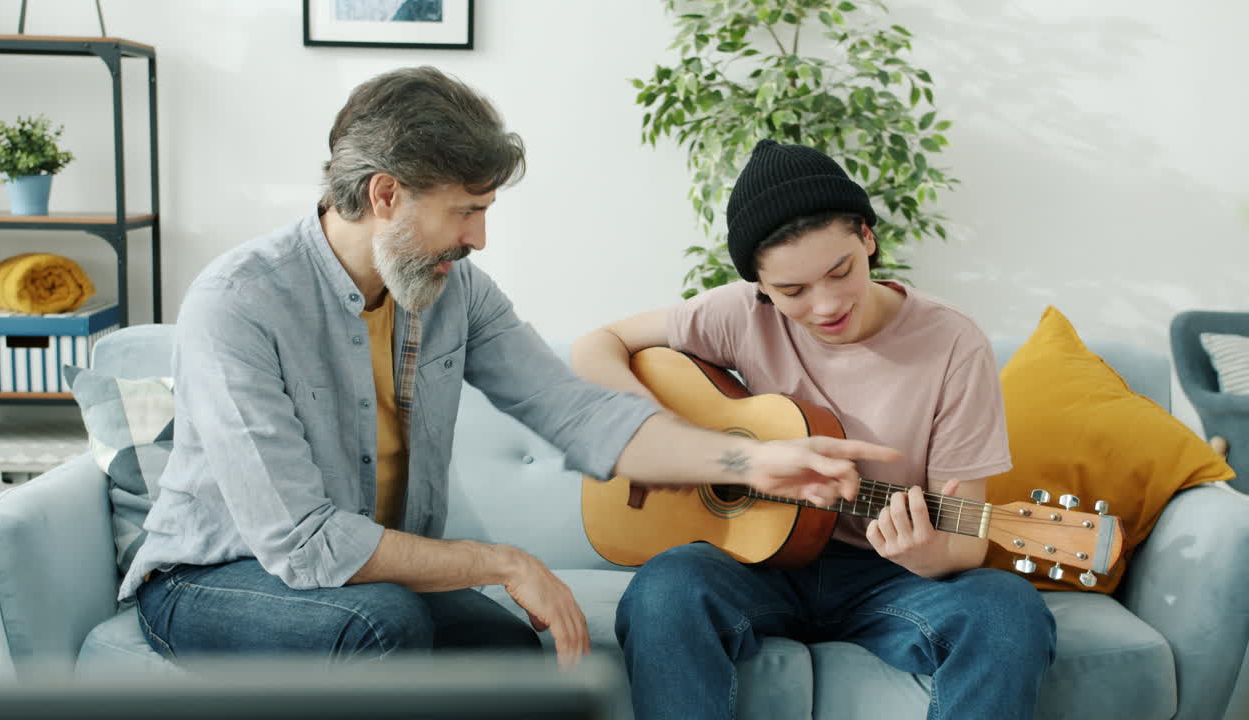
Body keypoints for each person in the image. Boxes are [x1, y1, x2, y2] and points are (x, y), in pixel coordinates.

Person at [125, 68, 898, 669]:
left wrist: (757, 459)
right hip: (215, 578)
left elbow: (581, 413)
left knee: (511, 659)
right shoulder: (239, 302)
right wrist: (500, 563)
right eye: (466, 210)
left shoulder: (453, 293)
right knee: (382, 625)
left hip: (367, 577)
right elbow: (303, 546)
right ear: (386, 195)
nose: (480, 238)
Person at [571, 139, 1056, 719]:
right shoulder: (738, 315)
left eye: (840, 271)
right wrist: (670, 439)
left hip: (890, 576)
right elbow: (595, 345)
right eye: (792, 292)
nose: (825, 306)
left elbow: (969, 539)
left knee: (1007, 609)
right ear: (759, 286)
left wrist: (927, 554)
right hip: (756, 566)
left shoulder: (953, 343)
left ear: (867, 239)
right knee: (665, 589)